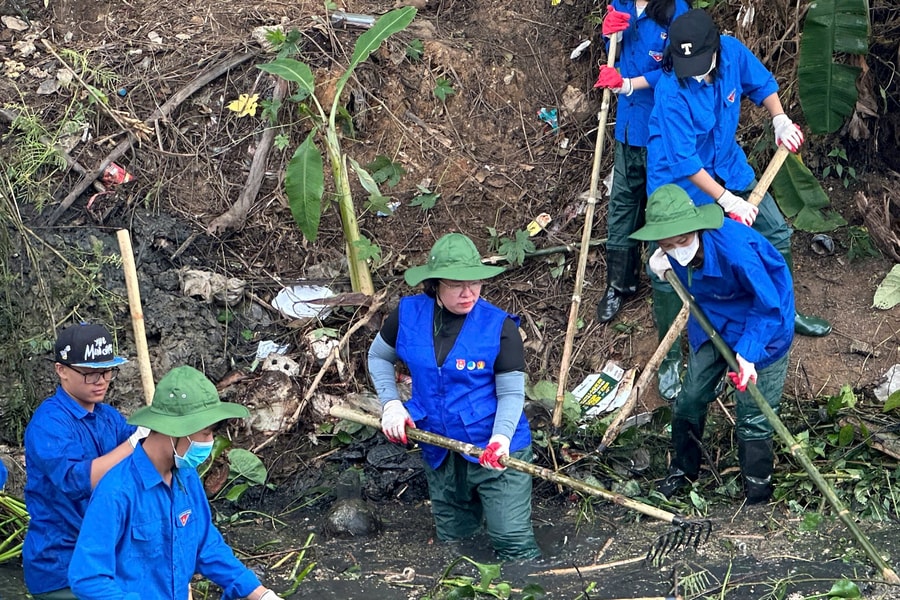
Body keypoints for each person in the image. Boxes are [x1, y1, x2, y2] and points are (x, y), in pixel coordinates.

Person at [645, 6, 831, 384]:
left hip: (727, 166)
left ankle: (782, 311)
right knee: (670, 261)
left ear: (715, 49)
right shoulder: (670, 90)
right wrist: (727, 203)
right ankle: (669, 359)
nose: (694, 70)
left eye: (699, 60)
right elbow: (685, 161)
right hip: (679, 184)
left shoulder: (731, 52)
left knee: (776, 232)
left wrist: (779, 119)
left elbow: (762, 85)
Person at [367, 233, 541, 561]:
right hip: (439, 448)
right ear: (434, 284)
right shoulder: (406, 315)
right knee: (456, 544)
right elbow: (378, 357)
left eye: (474, 283)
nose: (468, 293)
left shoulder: (500, 327)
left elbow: (511, 393)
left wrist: (500, 439)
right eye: (456, 284)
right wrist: (391, 404)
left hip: (495, 446)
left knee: (511, 540)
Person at [630, 184, 794, 503]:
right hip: (714, 323)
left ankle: (758, 491)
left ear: (696, 227)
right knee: (689, 398)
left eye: (683, 240)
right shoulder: (669, 250)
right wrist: (659, 262)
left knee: (753, 414)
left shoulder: (736, 251)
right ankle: (683, 470)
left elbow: (769, 305)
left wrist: (747, 355)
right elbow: (669, 257)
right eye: (667, 244)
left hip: (762, 327)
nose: (678, 249)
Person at [68, 365, 284, 600]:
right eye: (204, 433)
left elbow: (206, 545)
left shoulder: (186, 476)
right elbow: (88, 579)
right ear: (174, 430)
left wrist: (261, 595)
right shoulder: (117, 491)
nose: (209, 442)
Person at [592, 0, 692, 401]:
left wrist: (629, 82)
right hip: (625, 125)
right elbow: (611, 52)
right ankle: (619, 283)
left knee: (658, 204)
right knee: (622, 201)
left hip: (660, 127)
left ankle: (662, 283)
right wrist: (608, 35)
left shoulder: (676, 10)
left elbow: (674, 71)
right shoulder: (618, 4)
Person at [23, 322, 148, 599]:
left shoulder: (108, 416)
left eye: (106, 372)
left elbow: (143, 456)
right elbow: (79, 480)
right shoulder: (49, 423)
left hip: (103, 556)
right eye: (91, 374)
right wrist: (132, 443)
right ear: (61, 370)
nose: (101, 381)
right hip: (60, 564)